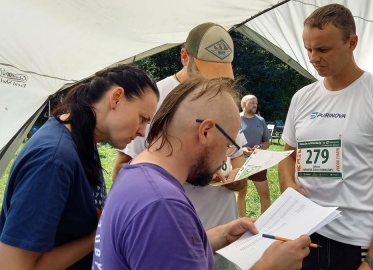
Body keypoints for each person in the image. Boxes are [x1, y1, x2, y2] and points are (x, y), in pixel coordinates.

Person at [93, 77, 311, 270]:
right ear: (205, 132)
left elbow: (164, 249)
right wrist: (268, 266)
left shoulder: (137, 177)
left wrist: (221, 235)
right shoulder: (163, 205)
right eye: (228, 144)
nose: (224, 157)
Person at [278, 4, 373, 270]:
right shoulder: (302, 98)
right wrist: (288, 184)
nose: (313, 58)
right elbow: (288, 155)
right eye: (308, 49)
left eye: (323, 49)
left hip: (355, 240)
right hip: (302, 235)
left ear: (351, 42)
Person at [0, 64, 159, 270]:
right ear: (116, 98)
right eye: (142, 118)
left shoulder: (83, 140)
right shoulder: (53, 160)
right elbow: (11, 267)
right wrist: (98, 235)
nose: (143, 132)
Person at [111, 22, 247, 269]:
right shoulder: (155, 98)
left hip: (216, 234)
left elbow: (238, 162)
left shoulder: (221, 98)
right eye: (207, 72)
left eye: (221, 76)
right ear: (185, 57)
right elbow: (123, 168)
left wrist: (235, 176)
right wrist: (186, 170)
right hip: (174, 229)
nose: (213, 84)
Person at [237, 94, 272, 217]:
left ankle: (265, 223)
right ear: (243, 104)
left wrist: (261, 147)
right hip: (240, 161)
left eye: (256, 103)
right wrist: (242, 150)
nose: (255, 105)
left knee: (265, 193)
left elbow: (267, 141)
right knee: (241, 193)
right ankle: (241, 222)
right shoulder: (235, 119)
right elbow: (228, 143)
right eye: (252, 102)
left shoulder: (260, 120)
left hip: (258, 161)